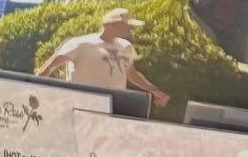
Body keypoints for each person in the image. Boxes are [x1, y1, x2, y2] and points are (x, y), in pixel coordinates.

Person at [35, 6, 170, 107]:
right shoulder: (80, 44)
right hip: (81, 105)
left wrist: (155, 91)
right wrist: (31, 91)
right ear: (114, 24)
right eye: (127, 25)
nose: (130, 29)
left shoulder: (126, 46)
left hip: (114, 105)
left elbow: (130, 72)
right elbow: (49, 68)